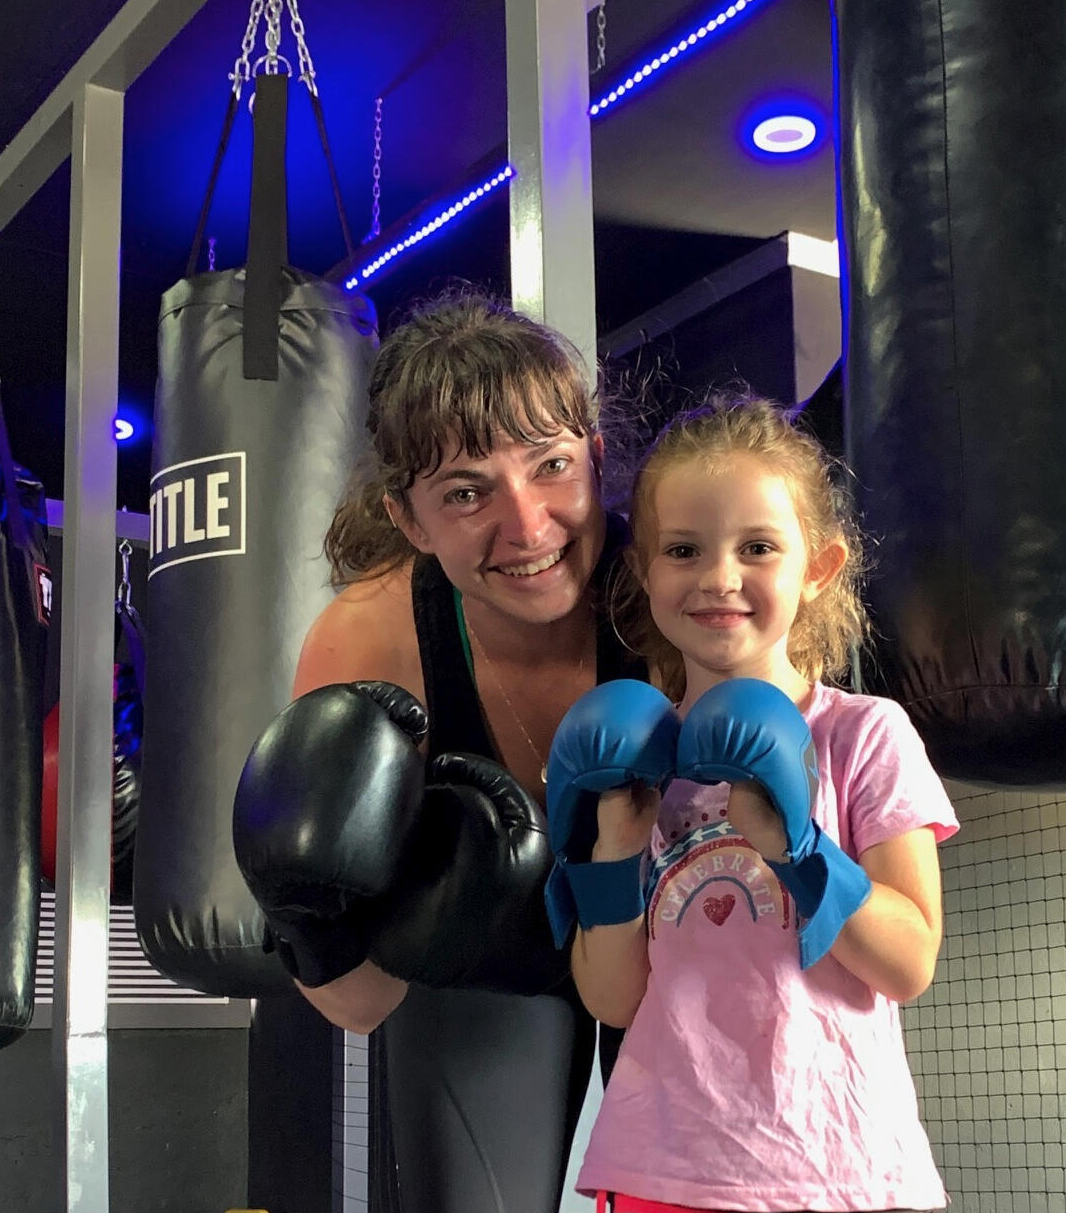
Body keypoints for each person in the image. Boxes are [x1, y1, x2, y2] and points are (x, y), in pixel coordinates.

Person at [232, 289, 641, 1213]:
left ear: (595, 456)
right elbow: (360, 1004)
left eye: (551, 465)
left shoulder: (671, 595)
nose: (527, 526)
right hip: (484, 971)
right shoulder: (372, 641)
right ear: (410, 519)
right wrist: (308, 911)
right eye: (466, 491)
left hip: (670, 944)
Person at [544, 396, 959, 1212]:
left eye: (758, 547)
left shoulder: (862, 734)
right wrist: (615, 845)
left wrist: (800, 849)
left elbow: (910, 961)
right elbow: (613, 999)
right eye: (683, 549)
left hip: (837, 1165)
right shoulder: (634, 759)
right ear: (645, 572)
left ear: (819, 568)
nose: (719, 577)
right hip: (664, 1167)